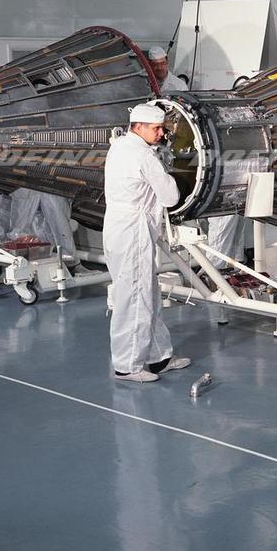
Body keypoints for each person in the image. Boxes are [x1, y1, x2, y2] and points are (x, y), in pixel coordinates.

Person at [103, 102, 191, 383]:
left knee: (147, 295)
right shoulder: (143, 156)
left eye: (162, 128)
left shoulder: (119, 146)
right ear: (138, 126)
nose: (161, 134)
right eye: (156, 128)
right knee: (135, 298)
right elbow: (170, 197)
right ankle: (127, 366)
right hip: (134, 232)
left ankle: (158, 358)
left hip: (119, 227)